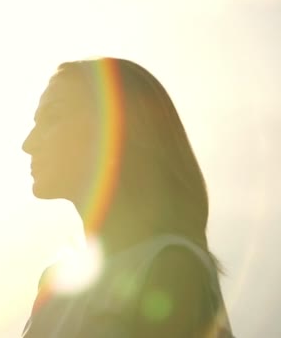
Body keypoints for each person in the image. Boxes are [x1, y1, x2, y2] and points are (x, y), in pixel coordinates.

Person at [20, 57, 234, 337]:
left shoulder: (170, 266)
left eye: (53, 117)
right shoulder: (55, 283)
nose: (28, 144)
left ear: (116, 128)